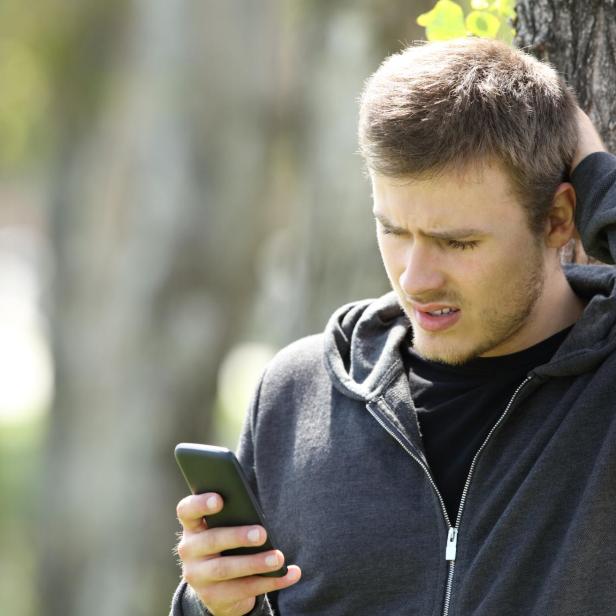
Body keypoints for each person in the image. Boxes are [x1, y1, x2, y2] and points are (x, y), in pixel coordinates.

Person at [171, 37, 616, 615]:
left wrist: (595, 174)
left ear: (559, 218)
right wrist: (216, 606)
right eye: (394, 231)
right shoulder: (296, 394)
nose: (416, 278)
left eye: (457, 242)